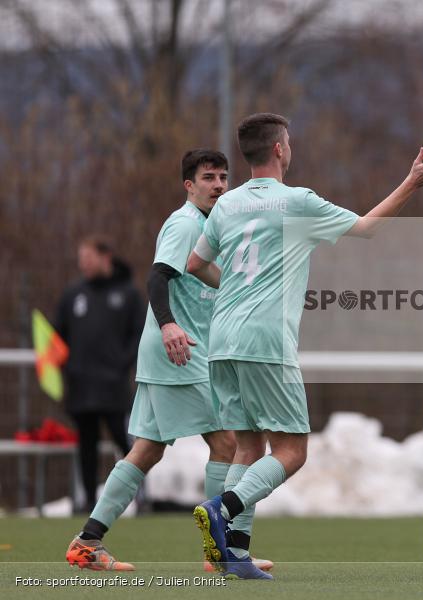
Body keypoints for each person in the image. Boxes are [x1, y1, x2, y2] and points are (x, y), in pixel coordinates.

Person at [186, 113, 423, 579]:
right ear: (279, 149)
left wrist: (236, 290)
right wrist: (413, 181)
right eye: (289, 142)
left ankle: (234, 556)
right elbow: (366, 227)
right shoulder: (297, 202)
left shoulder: (226, 204)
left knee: (248, 447)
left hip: (222, 338)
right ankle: (222, 508)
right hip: (265, 340)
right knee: (292, 450)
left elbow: (194, 264)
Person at [64, 150, 273, 575]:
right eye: (208, 178)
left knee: (146, 450)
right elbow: (157, 277)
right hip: (179, 353)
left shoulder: (212, 228)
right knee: (229, 442)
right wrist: (168, 325)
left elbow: (213, 283)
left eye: (223, 177)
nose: (219, 185)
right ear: (188, 185)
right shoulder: (185, 224)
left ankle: (87, 542)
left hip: (177, 353)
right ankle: (221, 552)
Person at [55, 235, 143, 513]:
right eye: (81, 259)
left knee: (125, 443)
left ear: (106, 258)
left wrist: (122, 364)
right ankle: (89, 503)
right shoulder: (73, 295)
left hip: (114, 388)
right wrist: (63, 367)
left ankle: (141, 498)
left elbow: (139, 334)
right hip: (81, 387)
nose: (84, 264)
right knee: (86, 446)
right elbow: (57, 337)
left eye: (88, 258)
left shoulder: (128, 294)